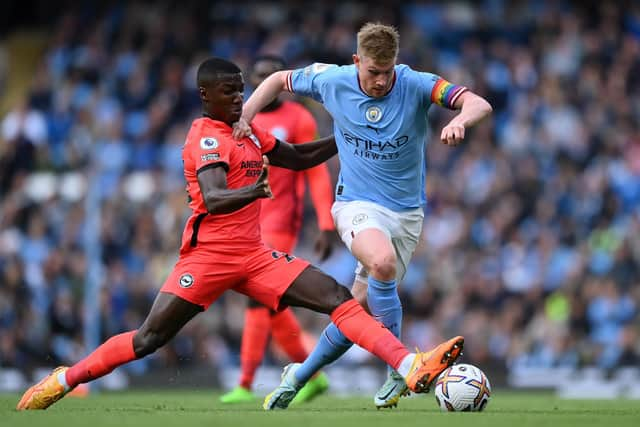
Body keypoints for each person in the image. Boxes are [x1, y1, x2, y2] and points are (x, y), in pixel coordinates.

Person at [16, 56, 464, 411]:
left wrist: (344, 138)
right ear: (204, 95)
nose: (237, 99)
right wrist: (256, 189)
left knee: (338, 298)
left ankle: (407, 364)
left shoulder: (248, 132)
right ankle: (64, 379)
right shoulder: (206, 138)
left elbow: (296, 156)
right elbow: (212, 197)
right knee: (148, 339)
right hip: (206, 258)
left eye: (240, 91)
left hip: (253, 256)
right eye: (228, 92)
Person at [234, 22, 492, 410]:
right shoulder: (331, 79)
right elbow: (276, 80)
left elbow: (478, 103)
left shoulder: (418, 84)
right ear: (357, 61)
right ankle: (401, 368)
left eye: (387, 71)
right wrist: (245, 119)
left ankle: (299, 375)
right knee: (382, 264)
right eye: (372, 71)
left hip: (406, 214)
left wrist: (458, 120)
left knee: (356, 309)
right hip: (355, 204)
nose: (380, 80)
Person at [219, 55, 334, 405]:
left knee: (259, 299)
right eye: (259, 77)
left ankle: (245, 382)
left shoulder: (297, 117)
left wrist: (326, 223)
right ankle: (312, 375)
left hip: (281, 221)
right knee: (272, 304)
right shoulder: (240, 121)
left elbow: (314, 171)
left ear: (283, 81)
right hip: (245, 221)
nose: (266, 83)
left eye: (272, 77)